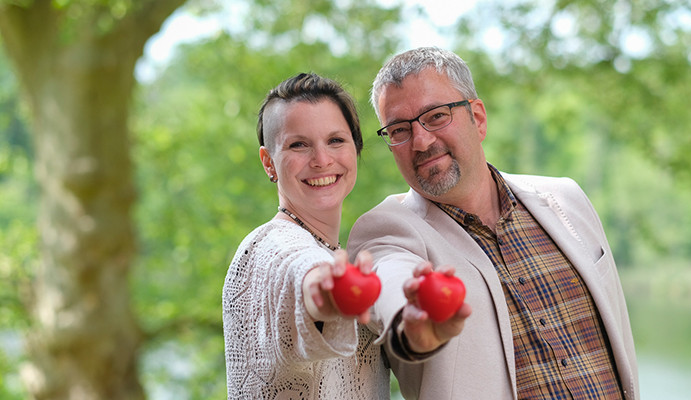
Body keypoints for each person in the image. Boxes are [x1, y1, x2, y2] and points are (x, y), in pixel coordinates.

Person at [348, 47, 640, 399]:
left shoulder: (567, 199)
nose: (421, 141)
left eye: (436, 116)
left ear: (478, 118)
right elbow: (391, 278)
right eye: (399, 130)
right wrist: (410, 323)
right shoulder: (387, 230)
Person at [222, 73, 390, 399]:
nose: (322, 160)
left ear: (356, 148)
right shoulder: (267, 246)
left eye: (336, 140)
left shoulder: (337, 252)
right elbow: (299, 268)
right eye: (298, 144)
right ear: (268, 163)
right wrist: (323, 290)